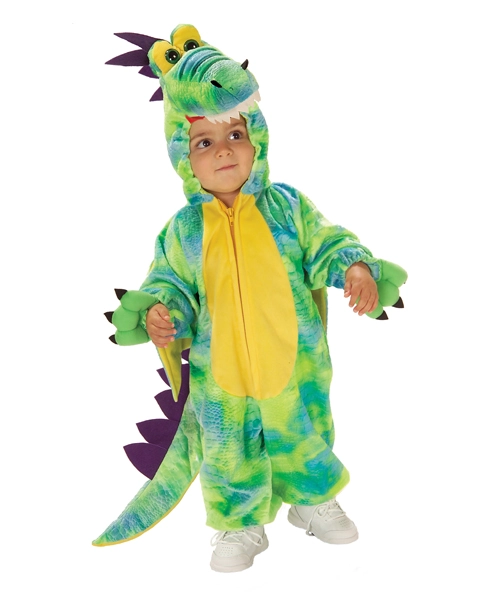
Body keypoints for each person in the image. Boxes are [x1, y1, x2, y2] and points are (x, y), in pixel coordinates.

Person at [93, 24, 405, 574]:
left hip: (295, 362)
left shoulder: (287, 206)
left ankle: (312, 500)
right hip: (221, 375)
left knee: (304, 431)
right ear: (184, 157)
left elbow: (326, 243)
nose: (224, 150)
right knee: (227, 450)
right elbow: (170, 284)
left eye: (235, 134)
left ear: (256, 138)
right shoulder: (183, 230)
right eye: (204, 143)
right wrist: (164, 313)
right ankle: (239, 525)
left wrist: (354, 266)